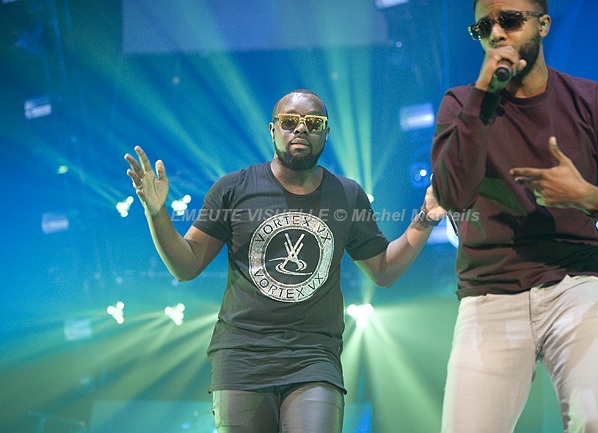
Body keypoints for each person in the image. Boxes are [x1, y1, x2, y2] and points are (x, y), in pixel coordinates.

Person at [125, 89, 445, 433]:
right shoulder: (234, 189)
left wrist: (425, 219)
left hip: (314, 358)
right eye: (290, 121)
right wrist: (157, 213)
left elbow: (384, 270)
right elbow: (186, 266)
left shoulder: (347, 195)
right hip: (242, 356)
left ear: (326, 132)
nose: (301, 128)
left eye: (313, 123)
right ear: (273, 129)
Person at [430, 0, 598, 432]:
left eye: (510, 20)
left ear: (543, 25)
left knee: (595, 423)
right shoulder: (460, 104)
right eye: (483, 28)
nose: (496, 33)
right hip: (488, 292)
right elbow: (453, 197)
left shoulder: (593, 101)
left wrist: (590, 198)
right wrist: (482, 96)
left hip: (576, 284)